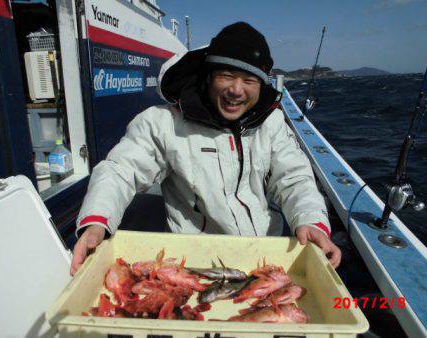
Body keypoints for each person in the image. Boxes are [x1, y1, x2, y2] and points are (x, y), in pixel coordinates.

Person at [70, 22, 341, 276]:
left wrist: (310, 221)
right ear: (208, 77)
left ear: (261, 85)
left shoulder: (271, 122)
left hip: (265, 253)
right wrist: (97, 222)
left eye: (249, 80)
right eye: (226, 75)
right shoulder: (163, 123)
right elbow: (121, 170)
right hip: (194, 261)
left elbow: (293, 178)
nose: (236, 90)